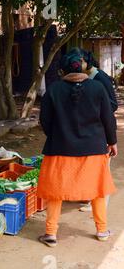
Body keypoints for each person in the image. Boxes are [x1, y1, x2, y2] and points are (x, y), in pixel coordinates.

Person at [37, 48, 118, 247]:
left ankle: (51, 233)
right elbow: (108, 119)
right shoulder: (97, 88)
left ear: (62, 71)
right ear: (83, 67)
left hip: (60, 149)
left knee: (56, 191)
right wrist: (112, 142)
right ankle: (101, 230)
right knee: (97, 190)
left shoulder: (53, 90)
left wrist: (58, 136)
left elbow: (45, 121)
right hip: (94, 149)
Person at [78, 48, 118, 212]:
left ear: (87, 61)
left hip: (102, 130)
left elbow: (113, 104)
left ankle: (99, 203)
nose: (77, 64)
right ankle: (91, 199)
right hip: (93, 130)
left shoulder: (100, 78)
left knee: (102, 171)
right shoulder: (87, 78)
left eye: (80, 61)